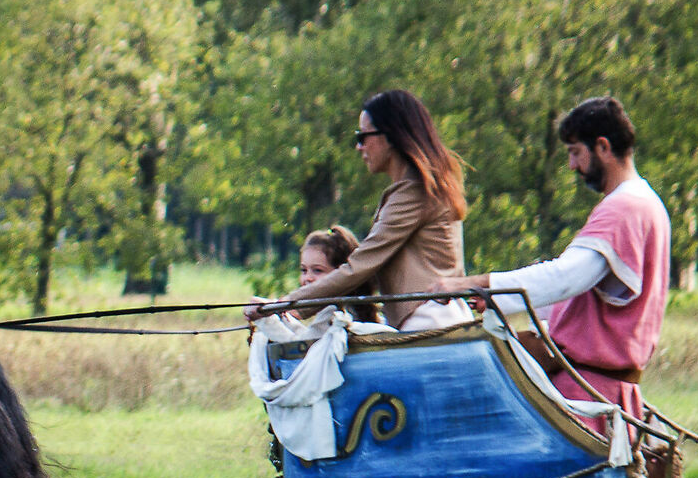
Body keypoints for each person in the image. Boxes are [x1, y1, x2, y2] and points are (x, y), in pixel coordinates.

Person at [445, 96, 670, 423]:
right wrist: (498, 301)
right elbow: (583, 296)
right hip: (600, 390)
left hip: (587, 394)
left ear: (603, 147)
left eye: (576, 152)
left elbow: (564, 279)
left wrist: (478, 285)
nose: (572, 165)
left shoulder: (624, 208)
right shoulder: (647, 203)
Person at [250, 89, 472, 330]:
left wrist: (285, 306)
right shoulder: (420, 189)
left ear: (391, 135)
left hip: (430, 323)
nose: (358, 146)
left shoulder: (415, 194)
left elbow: (361, 265)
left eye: (363, 136)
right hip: (437, 321)